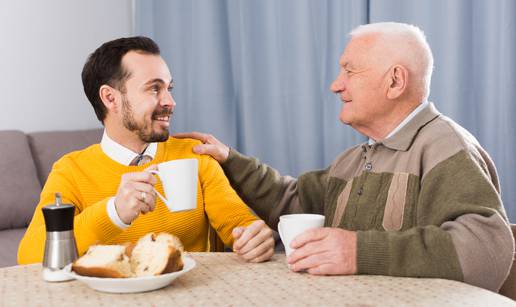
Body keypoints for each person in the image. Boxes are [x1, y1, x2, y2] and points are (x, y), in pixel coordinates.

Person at [175, 22, 514, 291]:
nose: (336, 85)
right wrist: (230, 160)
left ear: (395, 81)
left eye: (350, 71)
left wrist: (358, 252)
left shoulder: (445, 146)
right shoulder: (355, 158)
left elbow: (484, 249)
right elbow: (294, 201)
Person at [18, 37, 274, 264]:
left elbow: (239, 224)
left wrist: (254, 237)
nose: (170, 102)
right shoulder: (71, 171)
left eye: (169, 88)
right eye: (154, 88)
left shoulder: (195, 155)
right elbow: (29, 256)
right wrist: (113, 213)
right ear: (110, 98)